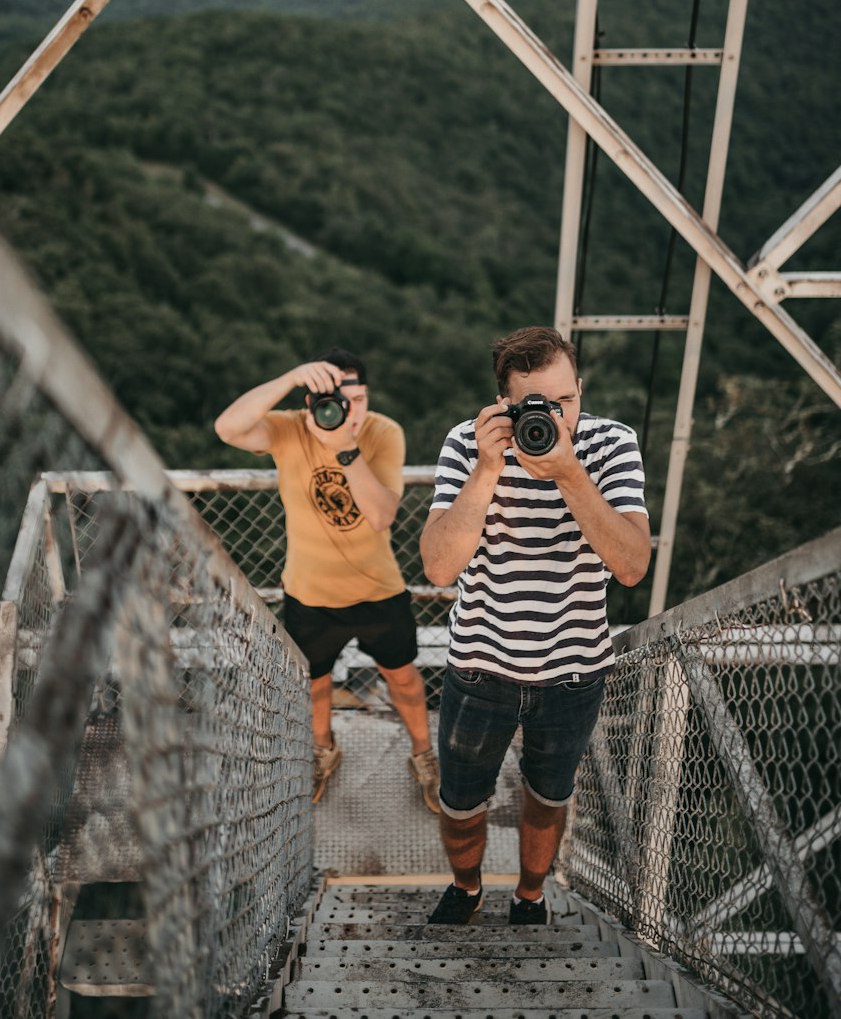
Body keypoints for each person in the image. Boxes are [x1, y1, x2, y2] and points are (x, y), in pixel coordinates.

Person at [420, 326, 651, 926]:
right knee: (461, 802)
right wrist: (488, 470)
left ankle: (528, 896)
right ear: (504, 405)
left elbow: (630, 566)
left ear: (580, 388)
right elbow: (440, 566)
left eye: (564, 401)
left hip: (574, 668)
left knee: (549, 799)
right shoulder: (468, 445)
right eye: (535, 407)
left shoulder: (611, 444)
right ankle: (467, 888)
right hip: (480, 662)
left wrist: (570, 473)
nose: (553, 416)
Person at [214, 348, 440, 811]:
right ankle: (323, 750)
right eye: (339, 400)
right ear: (313, 399)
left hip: (378, 588)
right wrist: (291, 377)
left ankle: (423, 753)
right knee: (314, 683)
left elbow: (380, 515)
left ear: (368, 397)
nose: (351, 411)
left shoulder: (382, 432)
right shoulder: (291, 427)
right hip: (309, 593)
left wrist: (344, 448)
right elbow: (228, 428)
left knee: (404, 679)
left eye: (359, 399)